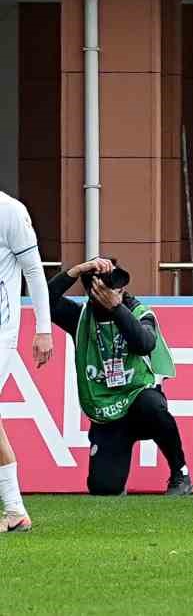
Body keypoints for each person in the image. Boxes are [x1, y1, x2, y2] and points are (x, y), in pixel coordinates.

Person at [47, 258, 192, 497]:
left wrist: (117, 309)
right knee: (104, 488)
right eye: (110, 284)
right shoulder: (81, 318)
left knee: (153, 405)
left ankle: (180, 472)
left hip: (138, 402)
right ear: (93, 291)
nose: (119, 288)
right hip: (107, 414)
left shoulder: (138, 311)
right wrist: (76, 271)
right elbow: (45, 298)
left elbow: (144, 343)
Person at [1, 190, 53, 532]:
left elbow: (34, 272)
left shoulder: (10, 211)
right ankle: (16, 511)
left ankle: (16, 509)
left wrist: (43, 329)